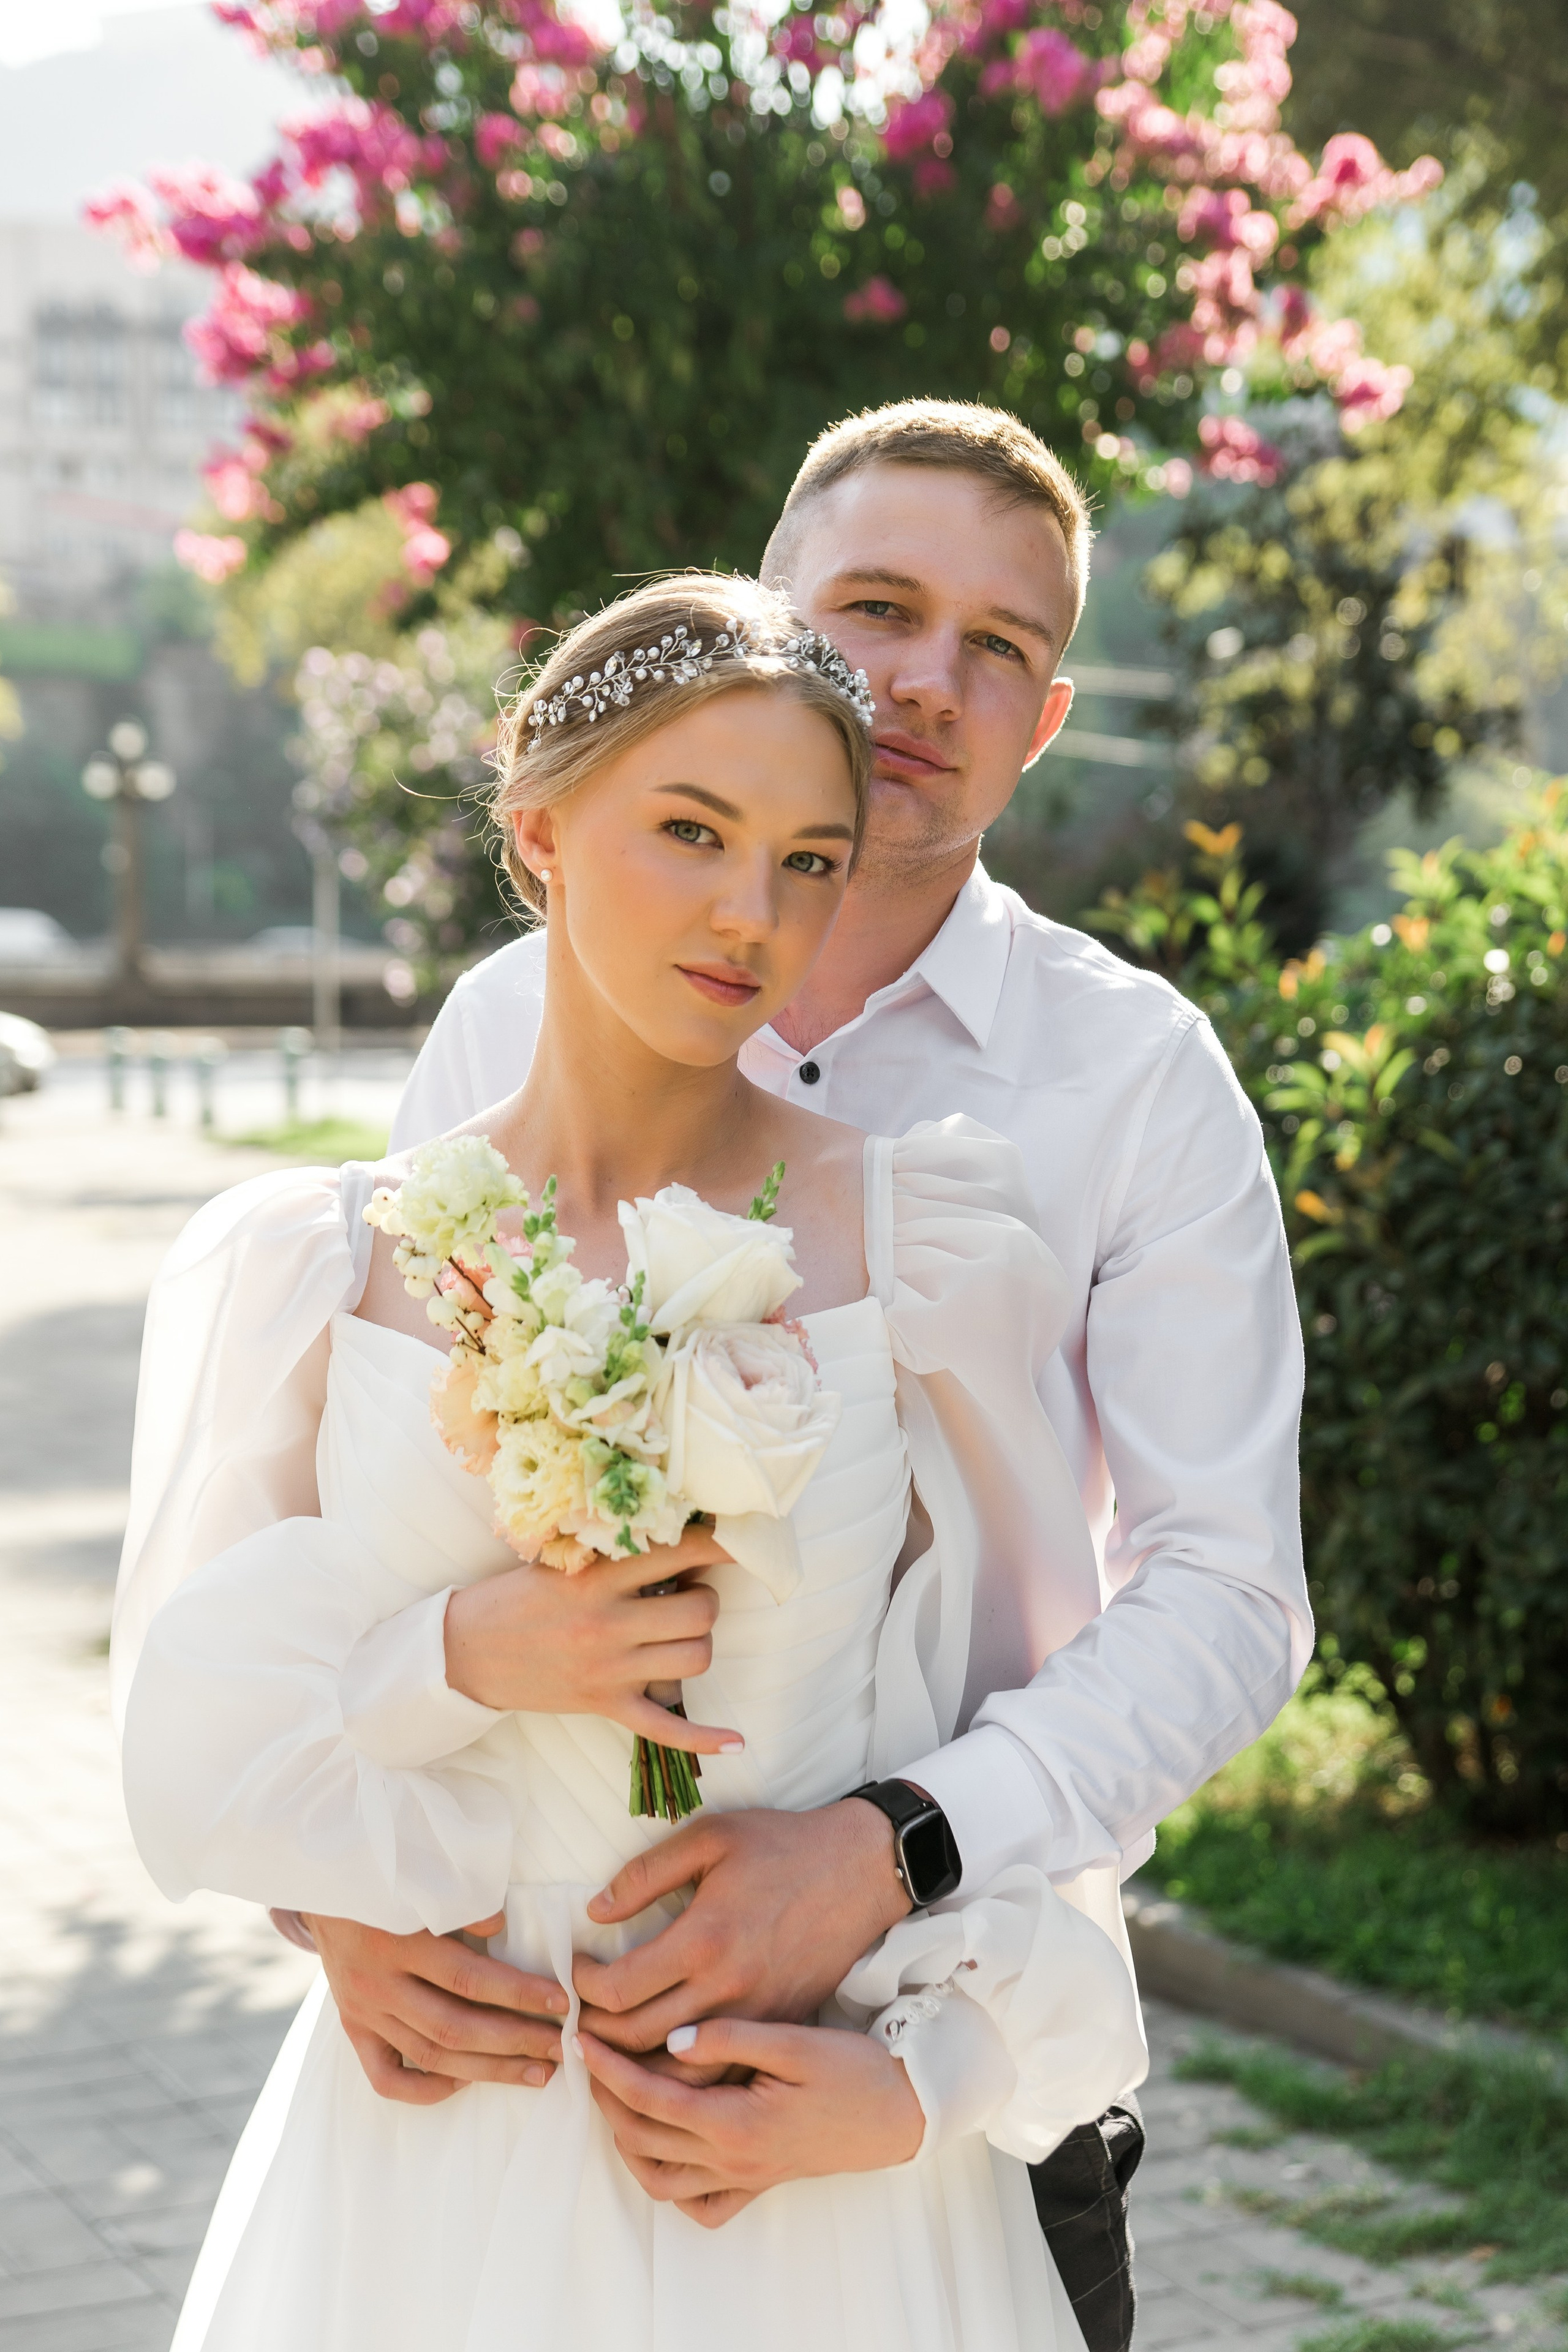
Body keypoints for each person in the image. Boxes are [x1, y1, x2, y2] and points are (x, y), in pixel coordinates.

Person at [278, 398, 1310, 2352]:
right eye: (878, 606)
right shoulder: (510, 1016)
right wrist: (325, 1895)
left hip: (949, 2066)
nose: (929, 676)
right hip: (499, 2078)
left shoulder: (1135, 1076)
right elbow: (362, 1525)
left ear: (1048, 715)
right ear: (767, 613)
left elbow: (1231, 1596)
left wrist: (888, 1854)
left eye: (997, 646)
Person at [114, 570, 1149, 2352]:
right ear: (540, 831)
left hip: (809, 2189)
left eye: (810, 859)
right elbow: (203, 1744)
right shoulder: (322, 1266)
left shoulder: (930, 1249)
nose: (753, 913)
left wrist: (929, 2081)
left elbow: (1055, 1749)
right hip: (431, 2170)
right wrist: (439, 1700)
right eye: (692, 829)